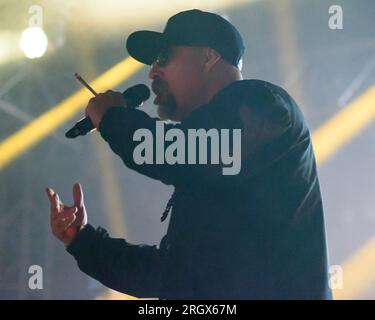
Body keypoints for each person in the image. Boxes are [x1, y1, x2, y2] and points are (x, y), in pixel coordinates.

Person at [46, 9, 332, 299]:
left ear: (208, 58)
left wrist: (112, 118)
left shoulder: (262, 104)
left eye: (163, 57)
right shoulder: (204, 163)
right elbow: (172, 275)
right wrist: (81, 240)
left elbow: (180, 151)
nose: (152, 72)